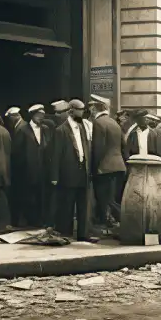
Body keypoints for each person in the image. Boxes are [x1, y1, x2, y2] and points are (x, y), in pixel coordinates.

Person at [49, 99, 96, 242]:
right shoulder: (61, 130)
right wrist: (54, 176)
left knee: (83, 205)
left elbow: (86, 149)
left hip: (83, 172)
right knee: (67, 204)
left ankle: (83, 234)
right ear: (71, 111)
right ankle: (66, 233)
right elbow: (56, 155)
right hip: (68, 173)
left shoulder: (82, 127)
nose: (82, 113)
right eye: (80, 110)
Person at [89, 99, 125, 231]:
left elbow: (98, 148)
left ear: (95, 108)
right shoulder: (114, 122)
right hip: (118, 165)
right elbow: (123, 144)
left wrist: (93, 168)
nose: (90, 110)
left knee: (103, 198)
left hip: (104, 167)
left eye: (91, 107)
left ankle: (110, 221)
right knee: (111, 197)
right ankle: (113, 220)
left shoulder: (98, 123)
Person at [13, 104, 49, 227]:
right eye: (39, 115)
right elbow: (17, 152)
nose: (41, 118)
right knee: (29, 196)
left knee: (42, 196)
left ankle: (41, 219)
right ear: (32, 116)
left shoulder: (46, 129)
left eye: (42, 116)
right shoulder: (23, 130)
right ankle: (31, 220)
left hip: (43, 169)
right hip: (28, 170)